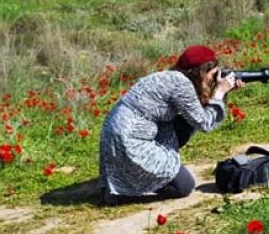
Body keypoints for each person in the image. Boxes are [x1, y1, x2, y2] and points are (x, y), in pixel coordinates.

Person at [98, 45, 242, 204]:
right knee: (185, 186)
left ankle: (124, 182)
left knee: (184, 125)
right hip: (130, 140)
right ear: (201, 71)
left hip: (114, 133)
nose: (214, 78)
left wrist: (223, 93)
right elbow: (204, 123)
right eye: (213, 74)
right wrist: (220, 93)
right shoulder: (182, 84)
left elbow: (195, 111)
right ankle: (128, 191)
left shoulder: (172, 77)